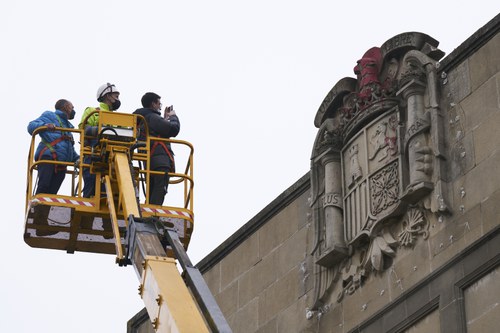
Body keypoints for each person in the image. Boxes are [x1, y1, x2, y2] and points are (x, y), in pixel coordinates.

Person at [27, 99, 80, 235]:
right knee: (44, 187)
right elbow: (31, 126)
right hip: (48, 158)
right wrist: (45, 125)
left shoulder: (68, 127)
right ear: (66, 107)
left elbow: (69, 149)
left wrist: (78, 159)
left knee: (51, 194)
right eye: (72, 106)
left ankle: (41, 225)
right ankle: (37, 219)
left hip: (61, 164)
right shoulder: (50, 115)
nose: (73, 109)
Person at [133, 92, 180, 205]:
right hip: (160, 161)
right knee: (160, 188)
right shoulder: (152, 117)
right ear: (153, 104)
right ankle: (153, 215)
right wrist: (173, 116)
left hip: (151, 161)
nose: (160, 106)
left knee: (153, 189)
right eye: (159, 103)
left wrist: (163, 118)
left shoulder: (143, 119)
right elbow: (173, 129)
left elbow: (155, 131)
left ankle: (151, 212)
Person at [79, 83, 121, 198]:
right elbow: (84, 129)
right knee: (91, 184)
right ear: (107, 96)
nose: (118, 99)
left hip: (114, 159)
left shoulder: (120, 118)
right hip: (93, 154)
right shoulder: (92, 111)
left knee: (113, 191)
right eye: (116, 96)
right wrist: (102, 130)